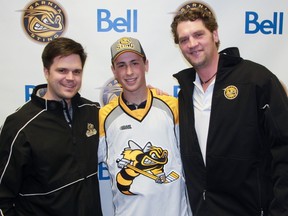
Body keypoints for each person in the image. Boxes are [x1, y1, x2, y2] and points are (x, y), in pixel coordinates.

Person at [171, 2, 288, 216]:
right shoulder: (186, 93)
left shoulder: (256, 80)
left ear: (214, 34)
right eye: (184, 39)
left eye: (199, 34)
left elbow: (284, 150)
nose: (192, 44)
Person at [0, 37, 103, 215]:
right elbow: (3, 197)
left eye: (76, 72)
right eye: (62, 70)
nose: (70, 78)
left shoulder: (92, 111)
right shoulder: (20, 125)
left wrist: (152, 95)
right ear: (46, 71)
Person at [98, 37, 191, 216]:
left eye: (135, 63)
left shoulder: (173, 107)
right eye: (121, 65)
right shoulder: (104, 117)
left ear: (146, 64)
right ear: (114, 71)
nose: (129, 71)